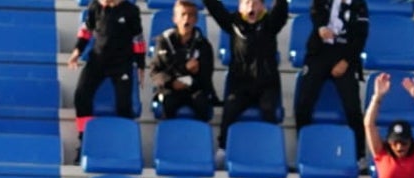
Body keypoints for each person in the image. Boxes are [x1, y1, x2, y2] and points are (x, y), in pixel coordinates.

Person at [204, 0, 289, 163]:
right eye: (247, 3)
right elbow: (216, 9)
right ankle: (223, 149)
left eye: (256, 3)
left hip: (267, 84)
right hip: (241, 85)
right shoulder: (233, 24)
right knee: (230, 108)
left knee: (269, 109)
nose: (251, 7)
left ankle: (270, 150)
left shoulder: (270, 24)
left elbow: (281, 12)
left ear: (263, 7)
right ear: (240, 7)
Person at [67, 0, 146, 160]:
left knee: (124, 105)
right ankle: (85, 139)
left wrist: (140, 64)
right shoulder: (94, 7)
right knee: (81, 96)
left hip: (121, 64)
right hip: (97, 61)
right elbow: (86, 30)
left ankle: (124, 145)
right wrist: (77, 51)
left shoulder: (131, 11)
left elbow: (138, 38)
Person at [294, 0, 369, 161]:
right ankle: (302, 149)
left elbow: (361, 37)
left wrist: (347, 61)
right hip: (318, 54)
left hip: (344, 56)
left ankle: (359, 155)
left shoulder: (359, 5)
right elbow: (315, 10)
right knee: (304, 102)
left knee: (352, 106)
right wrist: (321, 27)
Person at [150, 0, 217, 122]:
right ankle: (168, 138)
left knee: (202, 103)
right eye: (183, 14)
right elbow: (155, 72)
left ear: (196, 20)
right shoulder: (164, 41)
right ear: (175, 19)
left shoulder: (204, 45)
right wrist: (172, 82)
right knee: (167, 102)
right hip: (171, 88)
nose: (187, 19)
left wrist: (195, 76)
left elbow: (207, 76)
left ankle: (199, 138)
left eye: (191, 15)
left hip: (195, 89)